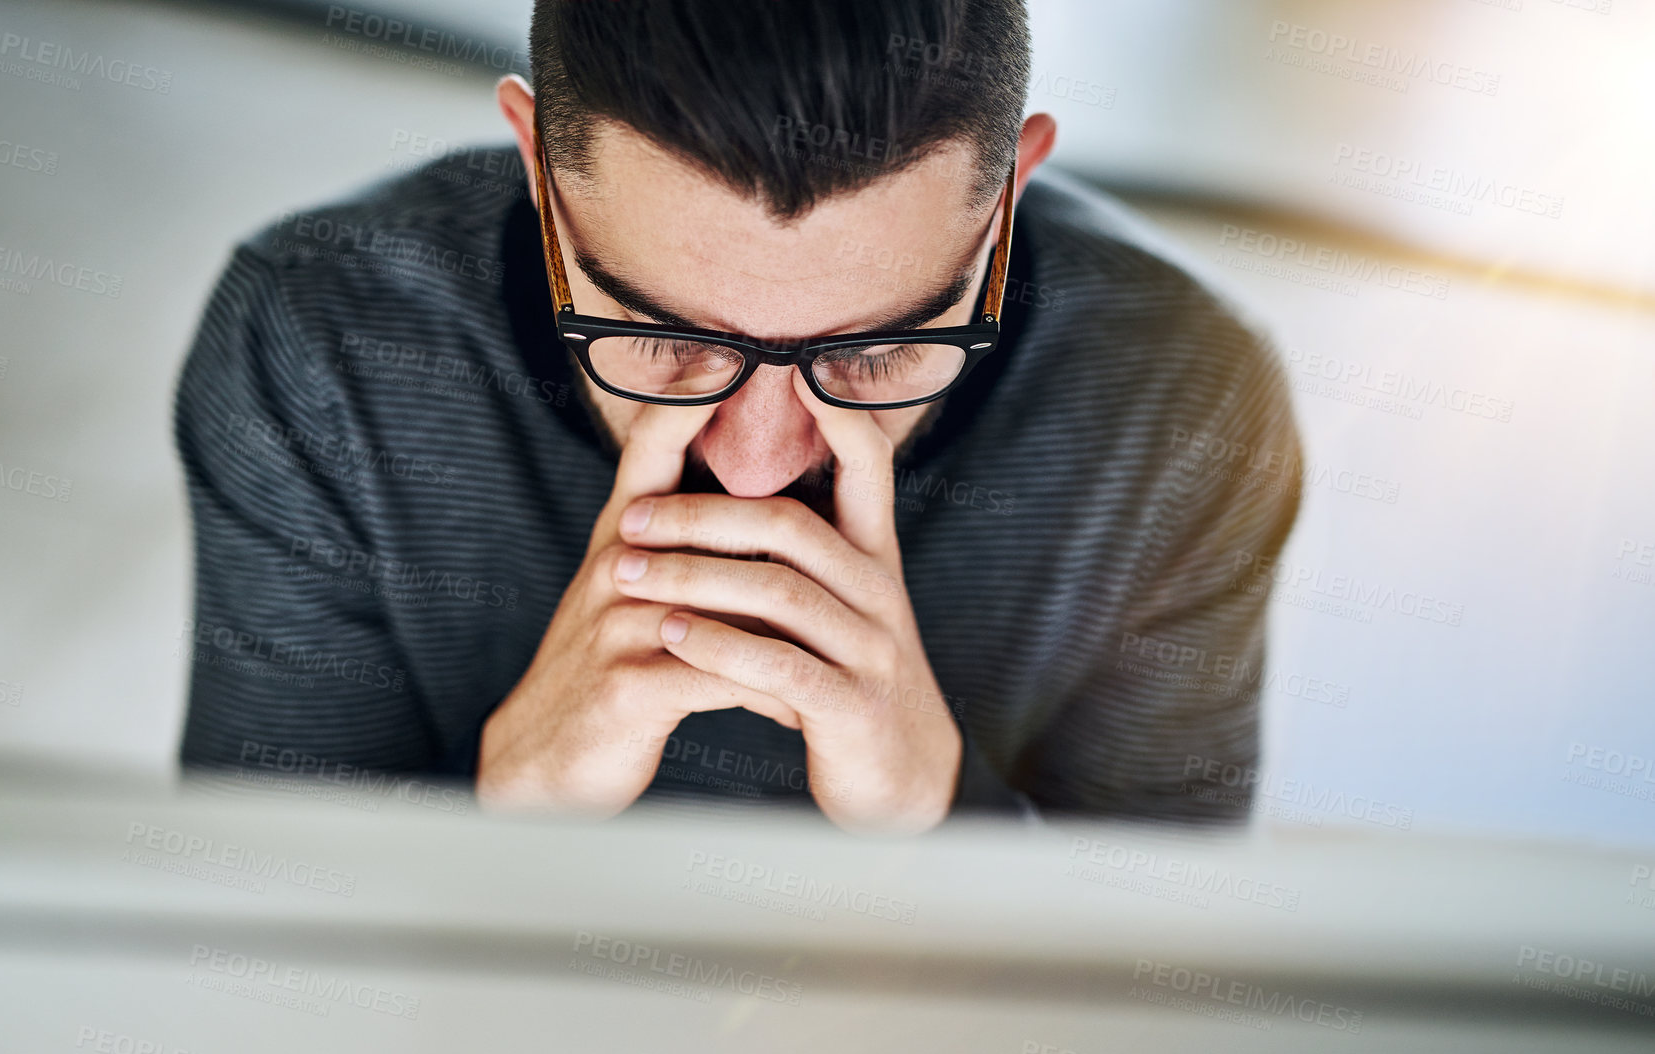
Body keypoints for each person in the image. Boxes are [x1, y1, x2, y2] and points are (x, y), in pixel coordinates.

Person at [173, 0, 1301, 834]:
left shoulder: (1183, 404)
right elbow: (248, 954)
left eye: (879, 349)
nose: (759, 469)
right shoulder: (320, 338)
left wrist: (936, 819)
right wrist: (514, 811)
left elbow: (1161, 1006)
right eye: (662, 339)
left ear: (1009, 195)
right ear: (537, 164)